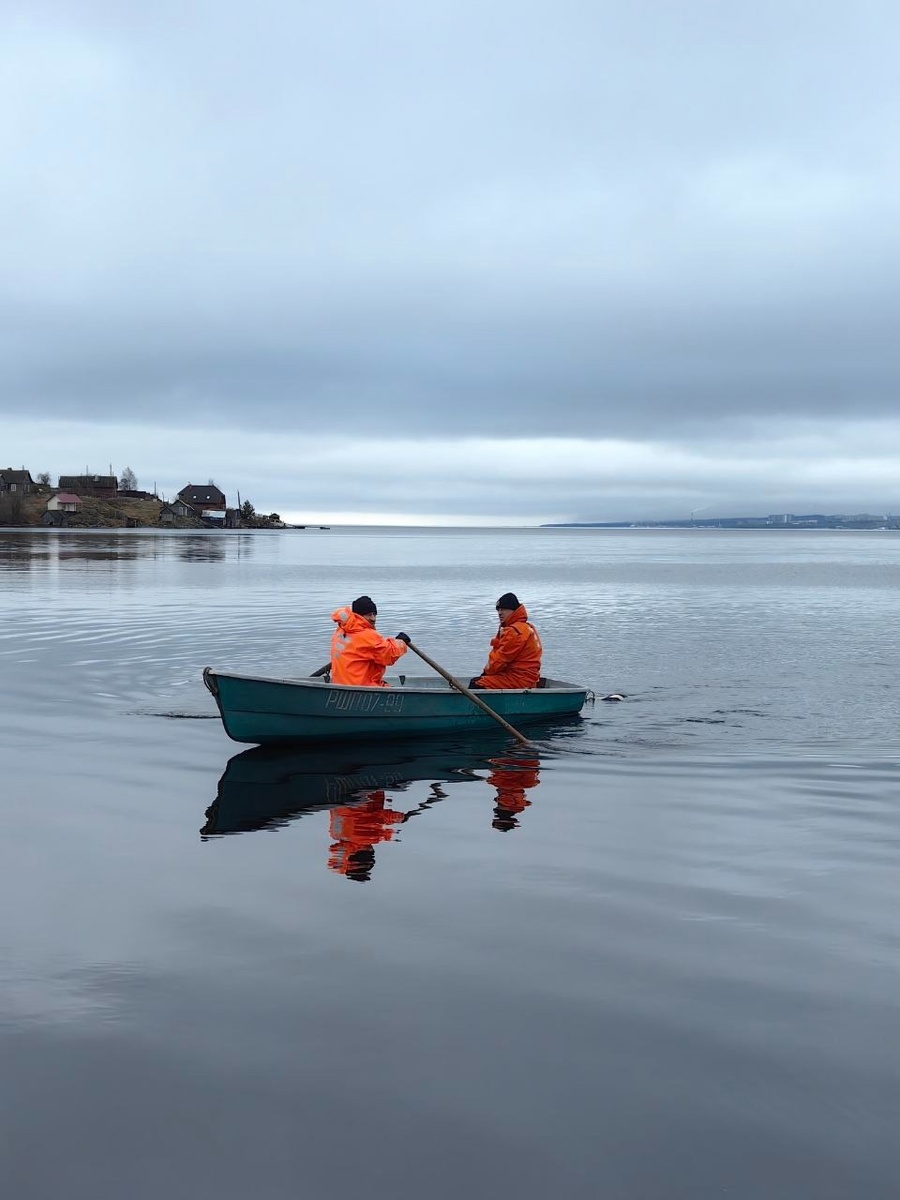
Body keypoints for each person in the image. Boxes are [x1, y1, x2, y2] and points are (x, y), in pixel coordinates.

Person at [330, 595, 409, 687]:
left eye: (374, 614)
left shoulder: (341, 629)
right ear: (359, 616)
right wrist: (401, 642)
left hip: (341, 684)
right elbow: (389, 654)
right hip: (361, 687)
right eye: (368, 615)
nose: (373, 618)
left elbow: (371, 646)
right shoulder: (367, 635)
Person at [469, 592, 542, 690]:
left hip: (519, 679)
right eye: (498, 609)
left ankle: (473, 705)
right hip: (527, 678)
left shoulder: (514, 631)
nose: (499, 613)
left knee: (477, 683)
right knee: (483, 679)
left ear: (513, 610)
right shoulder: (527, 627)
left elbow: (499, 660)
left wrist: (485, 674)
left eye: (503, 609)